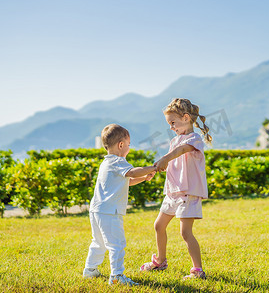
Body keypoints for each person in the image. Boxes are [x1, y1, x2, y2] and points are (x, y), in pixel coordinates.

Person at [140, 98, 212, 280]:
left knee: (185, 232)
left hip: (187, 193)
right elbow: (173, 160)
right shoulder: (175, 141)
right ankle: (160, 261)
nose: (171, 127)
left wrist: (165, 158)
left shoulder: (194, 139)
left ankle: (198, 270)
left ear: (186, 118)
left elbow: (180, 151)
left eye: (173, 123)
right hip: (172, 193)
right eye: (169, 124)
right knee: (159, 225)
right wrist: (158, 167)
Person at [83, 124, 156, 286]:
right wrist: (154, 167)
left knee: (99, 242)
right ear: (121, 145)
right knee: (117, 244)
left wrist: (144, 177)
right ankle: (116, 276)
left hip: (97, 210)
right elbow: (132, 172)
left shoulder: (107, 163)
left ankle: (90, 270)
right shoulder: (118, 161)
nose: (129, 148)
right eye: (129, 145)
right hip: (110, 212)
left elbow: (126, 181)